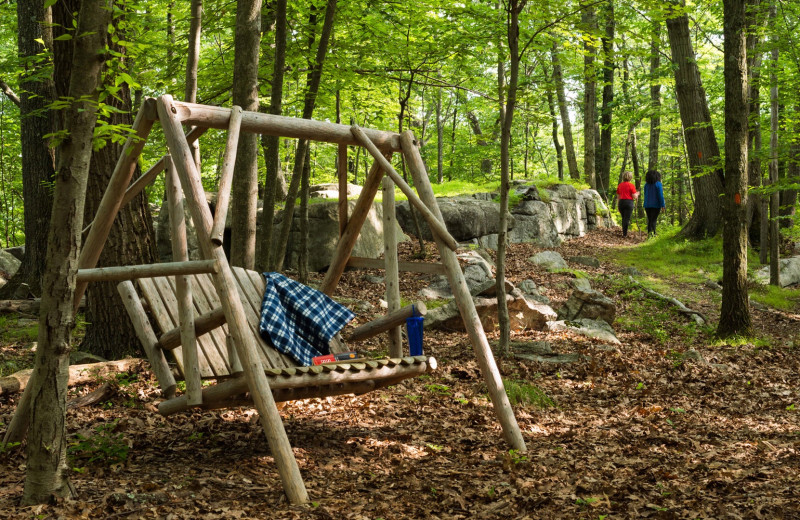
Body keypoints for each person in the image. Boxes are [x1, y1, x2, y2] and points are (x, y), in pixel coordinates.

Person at [643, 169, 666, 237]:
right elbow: (660, 195)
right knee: (653, 220)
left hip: (647, 205)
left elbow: (645, 194)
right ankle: (653, 234)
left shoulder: (646, 185)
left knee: (650, 219)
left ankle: (650, 234)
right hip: (656, 205)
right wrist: (663, 205)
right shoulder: (658, 184)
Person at [616, 171, 639, 238]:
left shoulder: (620, 185)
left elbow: (618, 196)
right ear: (630, 177)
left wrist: (618, 205)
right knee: (626, 218)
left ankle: (624, 233)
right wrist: (637, 194)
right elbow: (634, 196)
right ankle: (625, 234)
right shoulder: (631, 185)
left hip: (621, 202)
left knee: (624, 218)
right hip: (629, 202)